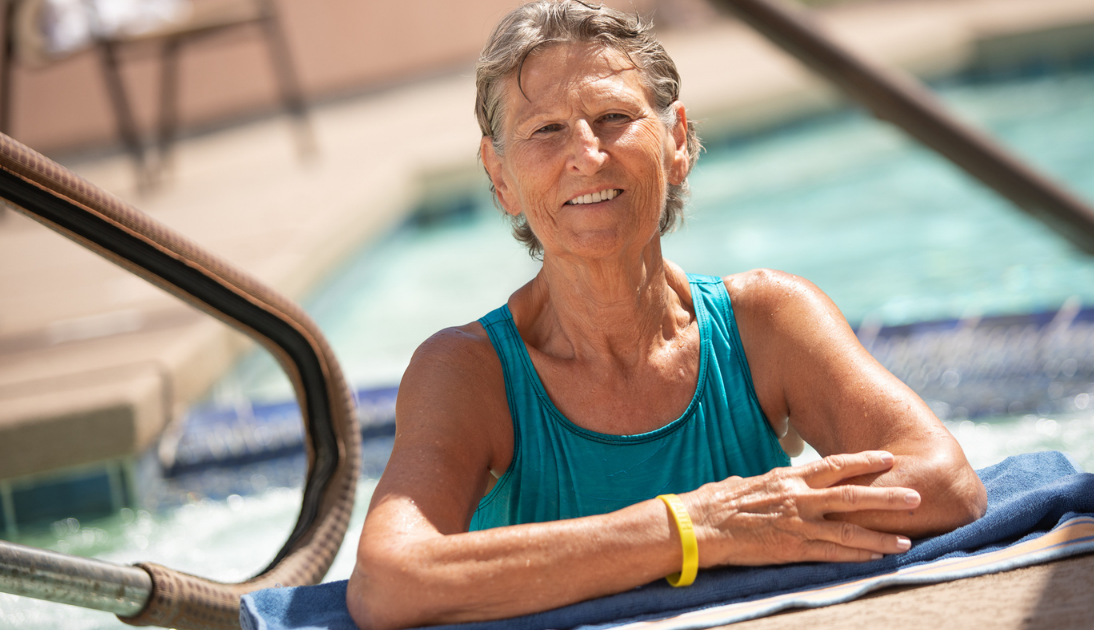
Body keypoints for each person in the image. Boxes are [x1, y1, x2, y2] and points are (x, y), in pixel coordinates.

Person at [347, 2, 986, 629]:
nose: (587, 155)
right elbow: (389, 581)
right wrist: (696, 528)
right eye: (546, 130)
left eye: (614, 117)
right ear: (500, 176)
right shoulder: (468, 373)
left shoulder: (767, 321)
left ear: (677, 141)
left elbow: (946, 483)